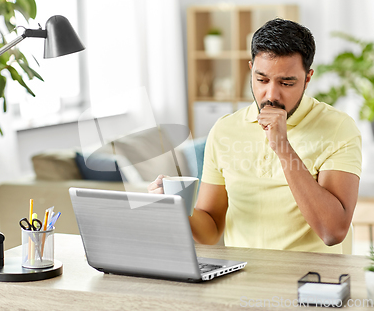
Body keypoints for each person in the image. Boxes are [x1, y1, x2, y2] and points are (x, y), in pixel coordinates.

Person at [149, 19, 361, 254]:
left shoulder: (338, 128)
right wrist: (177, 206)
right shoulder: (224, 130)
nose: (271, 95)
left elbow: (333, 231)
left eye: (287, 82)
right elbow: (210, 229)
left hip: (312, 282)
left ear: (308, 78)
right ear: (250, 69)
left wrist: (282, 147)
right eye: (261, 80)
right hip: (241, 278)